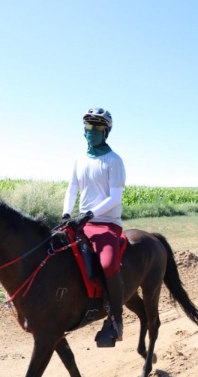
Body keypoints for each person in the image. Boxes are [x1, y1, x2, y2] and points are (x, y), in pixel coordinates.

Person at [61, 107, 126, 343]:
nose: (92, 131)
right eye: (88, 126)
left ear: (106, 131)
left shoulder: (114, 161)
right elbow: (72, 189)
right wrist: (66, 213)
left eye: (98, 127)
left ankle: (116, 319)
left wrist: (89, 214)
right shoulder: (79, 159)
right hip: (81, 221)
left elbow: (115, 198)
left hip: (106, 223)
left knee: (108, 265)